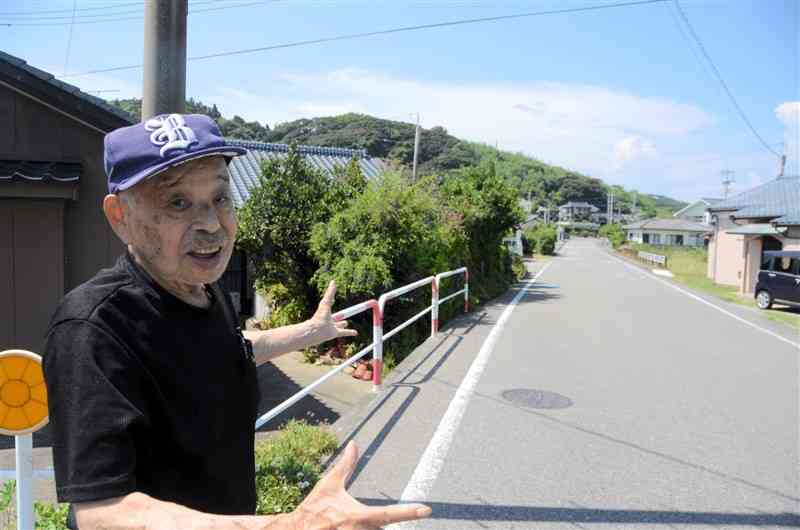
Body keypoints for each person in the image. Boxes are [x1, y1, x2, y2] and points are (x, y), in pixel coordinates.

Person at [43, 114, 431, 529]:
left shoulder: (205, 292)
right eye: (177, 203)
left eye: (220, 198)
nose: (211, 224)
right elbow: (101, 512)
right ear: (119, 216)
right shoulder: (93, 327)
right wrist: (288, 526)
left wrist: (309, 332)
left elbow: (227, 352)